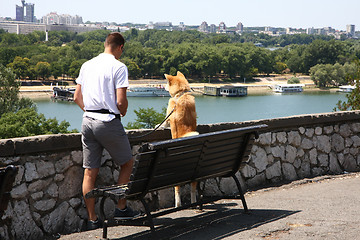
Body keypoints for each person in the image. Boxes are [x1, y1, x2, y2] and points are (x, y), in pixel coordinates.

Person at [74, 32, 139, 231]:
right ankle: (121, 208)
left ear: (105, 44)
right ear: (120, 47)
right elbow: (120, 101)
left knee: (89, 173)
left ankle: (92, 219)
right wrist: (122, 110)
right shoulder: (119, 67)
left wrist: (92, 112)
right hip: (108, 122)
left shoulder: (87, 65)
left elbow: (77, 97)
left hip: (87, 121)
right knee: (127, 163)